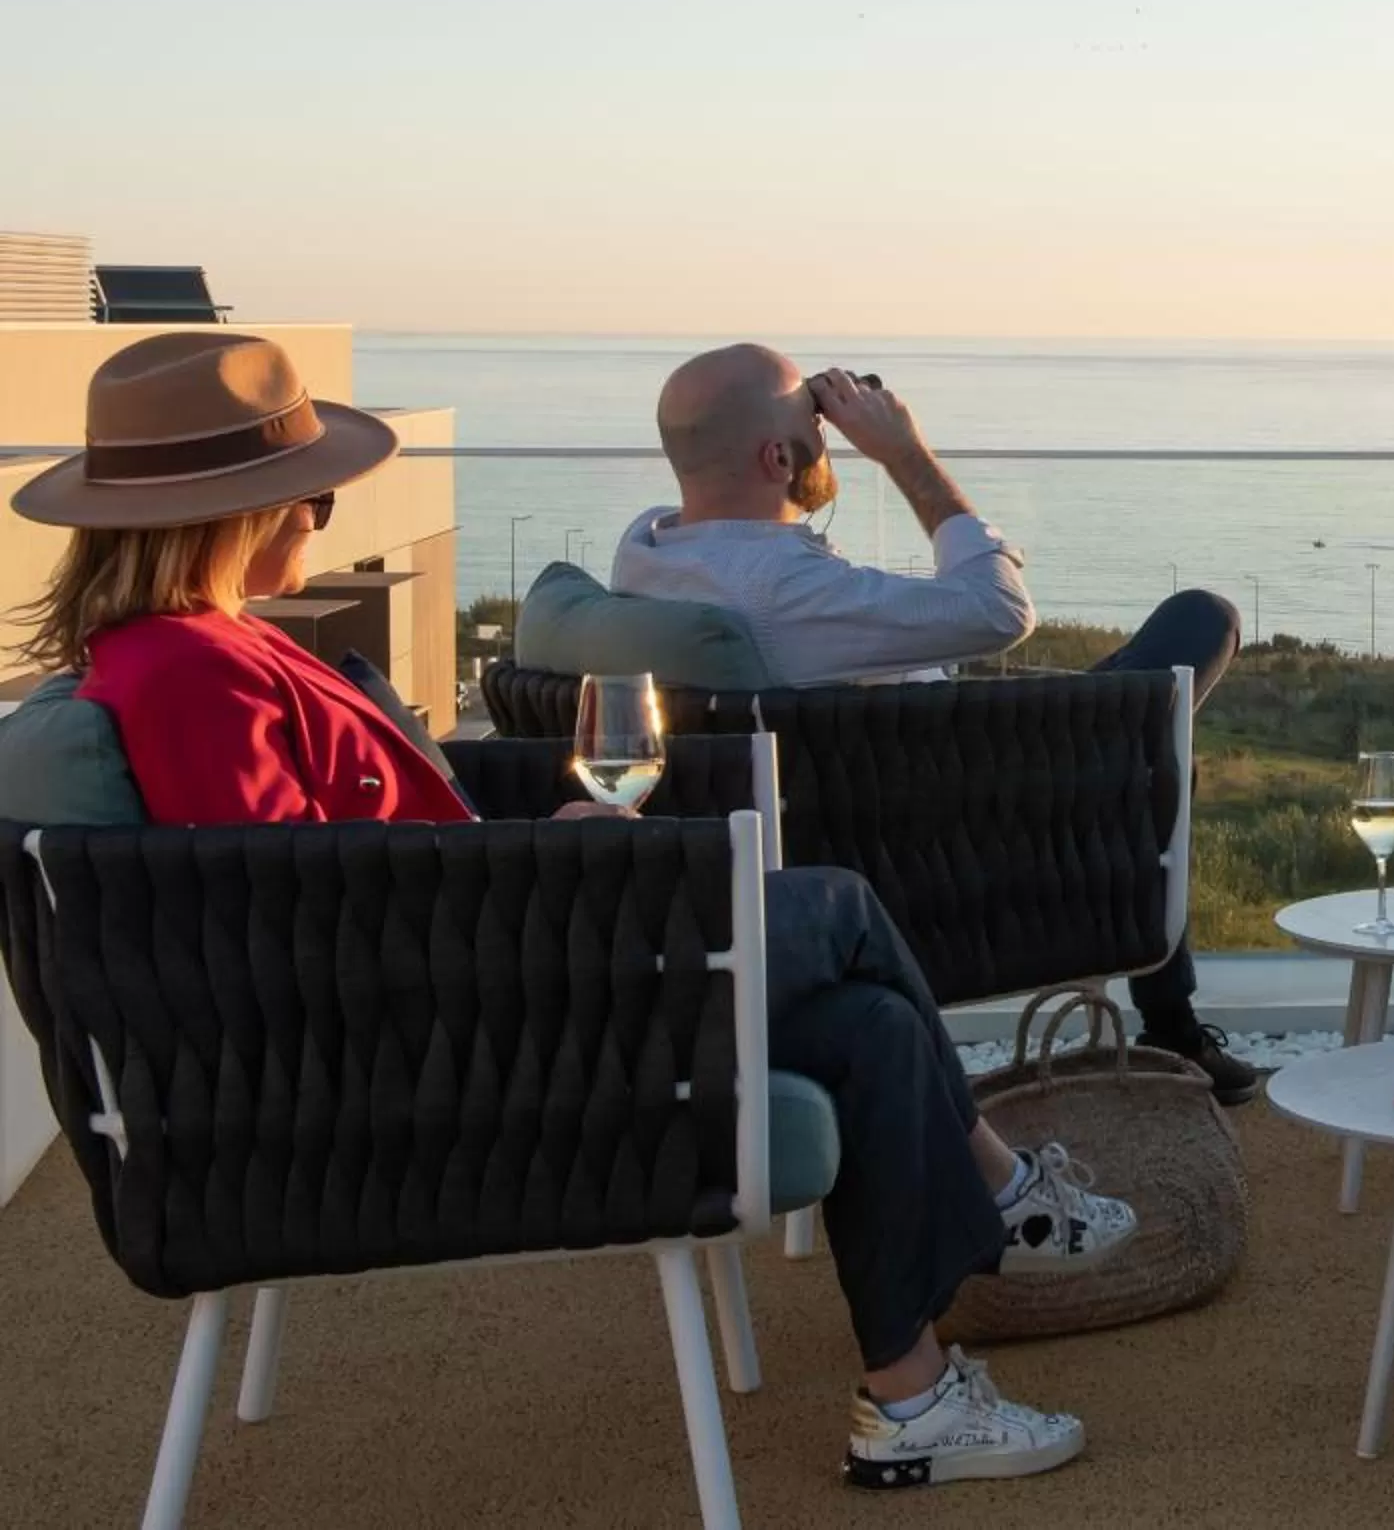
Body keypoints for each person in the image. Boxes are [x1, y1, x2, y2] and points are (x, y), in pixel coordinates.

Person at [11, 332, 1130, 1490]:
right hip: (476, 1008)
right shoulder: (189, 673)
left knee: (871, 1031)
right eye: (314, 500)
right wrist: (548, 869)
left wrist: (533, 854)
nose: (320, 519)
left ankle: (912, 1401)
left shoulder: (209, 648)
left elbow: (339, 862)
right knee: (839, 907)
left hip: (490, 960)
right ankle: (1005, 1188)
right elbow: (292, 911)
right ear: (233, 513)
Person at [610, 343, 1259, 1103]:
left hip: (852, 807)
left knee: (1148, 743)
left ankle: (1173, 1021)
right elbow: (999, 609)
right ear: (778, 455)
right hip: (959, 836)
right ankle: (1171, 1021)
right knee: (1193, 635)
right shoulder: (781, 586)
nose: (833, 429)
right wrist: (903, 453)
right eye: (816, 420)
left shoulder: (645, 554)